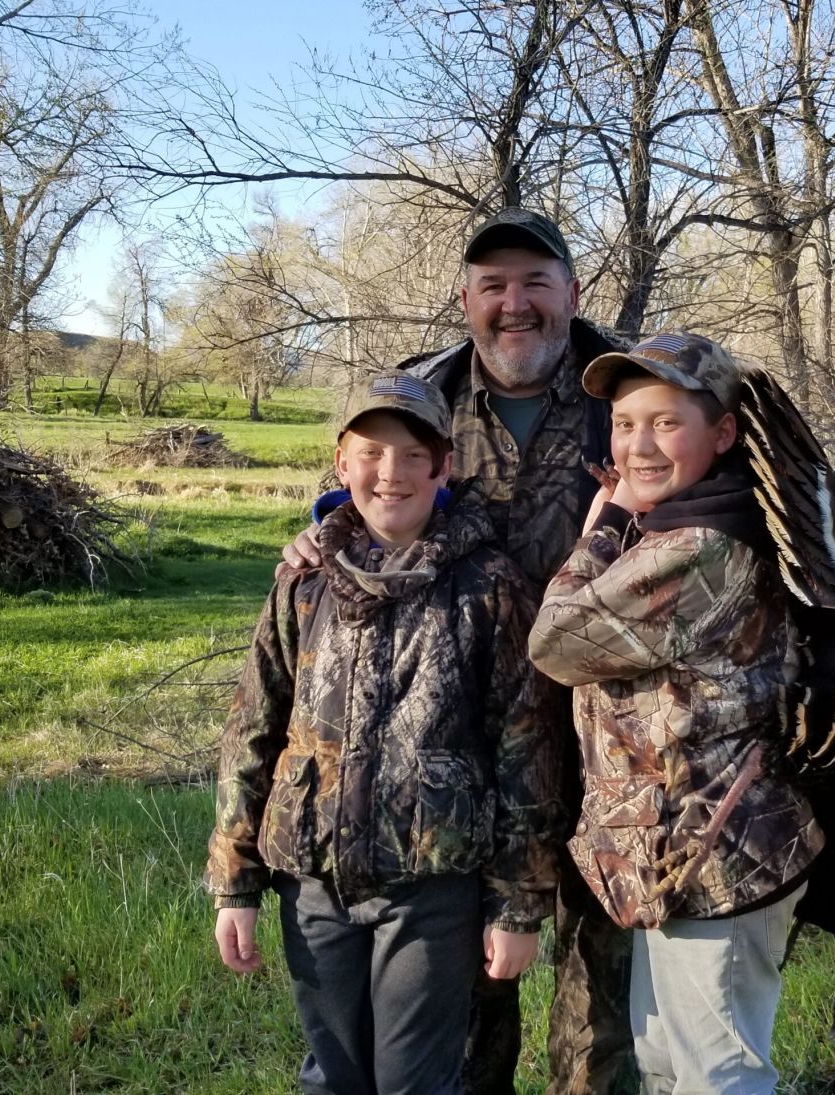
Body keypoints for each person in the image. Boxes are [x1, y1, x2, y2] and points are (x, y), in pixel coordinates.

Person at [279, 209, 638, 1095]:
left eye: (535, 282)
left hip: (608, 740)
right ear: (467, 297)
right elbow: (362, 496)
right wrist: (318, 535)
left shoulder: (628, 395)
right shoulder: (426, 391)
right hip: (460, 759)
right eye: (493, 285)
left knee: (603, 1014)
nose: (515, 304)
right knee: (466, 1017)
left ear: (572, 292)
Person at [207, 371, 562, 1095]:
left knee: (415, 1081)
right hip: (312, 880)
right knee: (332, 1076)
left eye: (412, 454)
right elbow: (253, 729)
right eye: (370, 452)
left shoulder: (489, 586)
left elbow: (526, 752)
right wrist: (235, 882)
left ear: (444, 467)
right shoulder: (303, 582)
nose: (390, 472)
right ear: (342, 462)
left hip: (431, 892)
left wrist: (517, 904)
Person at [527, 332, 824, 1094]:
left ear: (723, 433)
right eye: (625, 424)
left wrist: (604, 524)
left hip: (719, 859)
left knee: (719, 1075)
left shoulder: (701, 546)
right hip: (679, 857)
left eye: (666, 423)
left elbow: (555, 642)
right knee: (666, 1063)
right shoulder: (687, 520)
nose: (638, 445)